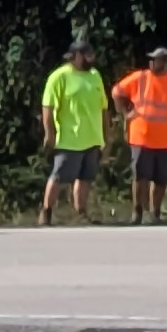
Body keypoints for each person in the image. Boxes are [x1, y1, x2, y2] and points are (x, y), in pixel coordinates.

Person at [114, 45, 167, 221]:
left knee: (161, 179)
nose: (152, 62)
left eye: (157, 59)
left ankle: (155, 214)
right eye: (151, 59)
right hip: (141, 137)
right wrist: (125, 113)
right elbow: (117, 92)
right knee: (140, 176)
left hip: (166, 139)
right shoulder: (140, 78)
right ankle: (137, 212)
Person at [38, 42, 110, 222]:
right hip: (69, 139)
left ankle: (81, 213)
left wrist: (106, 135)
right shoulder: (59, 76)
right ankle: (46, 212)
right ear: (75, 56)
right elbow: (47, 107)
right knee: (58, 176)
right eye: (87, 55)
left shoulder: (95, 76)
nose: (91, 58)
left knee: (85, 178)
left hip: (92, 137)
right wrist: (49, 133)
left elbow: (103, 107)